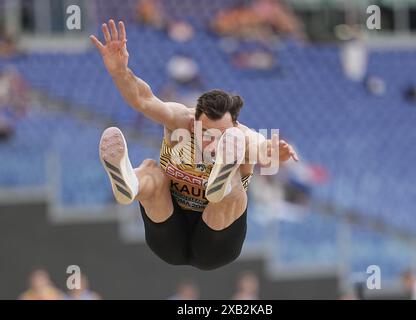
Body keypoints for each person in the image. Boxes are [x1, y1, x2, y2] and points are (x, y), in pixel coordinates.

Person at [90, 20, 299, 271]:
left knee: (235, 189)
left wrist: (275, 152)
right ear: (193, 123)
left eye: (222, 136)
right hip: (169, 233)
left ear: (234, 126)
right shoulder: (180, 120)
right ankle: (130, 184)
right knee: (152, 171)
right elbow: (143, 100)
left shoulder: (242, 136)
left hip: (216, 243)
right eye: (207, 134)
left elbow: (262, 149)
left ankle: (221, 183)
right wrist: (119, 72)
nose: (213, 142)